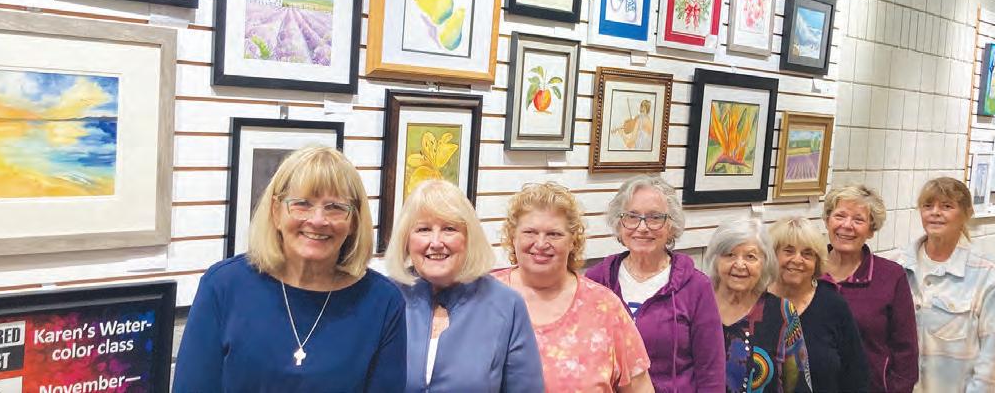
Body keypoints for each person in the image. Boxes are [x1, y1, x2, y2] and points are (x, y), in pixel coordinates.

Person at [174, 147, 406, 391]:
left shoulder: (383, 302)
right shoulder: (223, 286)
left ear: (354, 222)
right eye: (302, 204)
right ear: (276, 212)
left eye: (335, 207)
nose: (318, 220)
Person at [492, 182, 654, 392]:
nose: (540, 243)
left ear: (573, 242)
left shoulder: (604, 307)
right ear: (513, 237)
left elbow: (640, 388)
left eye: (554, 234)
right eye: (530, 232)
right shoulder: (483, 298)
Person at [384, 179, 544, 392]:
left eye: (449, 229)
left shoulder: (506, 305)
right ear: (406, 240)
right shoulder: (386, 299)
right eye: (423, 229)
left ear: (469, 238)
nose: (436, 242)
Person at [586, 176, 724, 392]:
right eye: (632, 217)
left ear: (671, 226)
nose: (642, 227)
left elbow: (711, 374)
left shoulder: (696, 287)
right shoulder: (597, 281)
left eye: (655, 218)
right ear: (619, 224)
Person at [892, 177, 995, 392]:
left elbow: (994, 363)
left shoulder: (988, 275)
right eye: (928, 205)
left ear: (966, 214)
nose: (935, 212)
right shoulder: (896, 266)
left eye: (947, 206)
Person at [820, 184, 918, 392]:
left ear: (871, 230)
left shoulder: (891, 276)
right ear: (827, 221)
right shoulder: (809, 272)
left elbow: (906, 353)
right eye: (839, 216)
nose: (847, 225)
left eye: (858, 220)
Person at [707, 218, 812, 393]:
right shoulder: (697, 305)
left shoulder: (781, 311)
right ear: (715, 260)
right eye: (729, 255)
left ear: (764, 263)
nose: (739, 265)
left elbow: (798, 383)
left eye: (750, 257)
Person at [768, 217, 869, 392]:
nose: (797, 260)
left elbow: (856, 376)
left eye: (807, 254)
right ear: (772, 256)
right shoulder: (757, 302)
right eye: (788, 251)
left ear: (817, 262)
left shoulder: (833, 305)